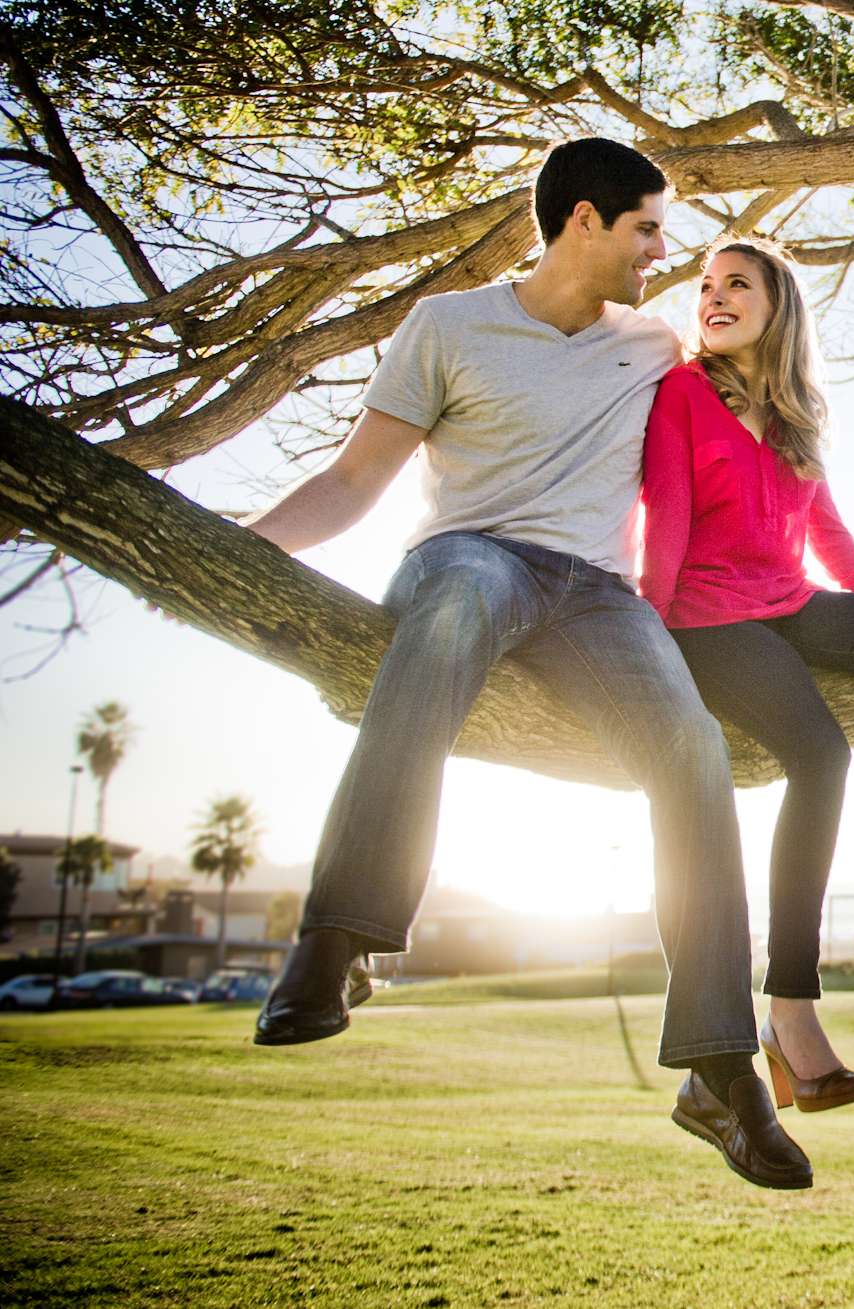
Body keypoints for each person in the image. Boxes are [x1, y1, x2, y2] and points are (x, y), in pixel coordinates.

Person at [245, 139, 811, 1190]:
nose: (661, 252)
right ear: (585, 221)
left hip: (594, 593)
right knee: (458, 603)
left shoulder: (649, 344)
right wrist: (243, 547)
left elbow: (753, 386)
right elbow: (351, 479)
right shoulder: (449, 326)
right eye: (647, 228)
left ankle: (721, 1069)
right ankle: (340, 934)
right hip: (469, 559)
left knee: (692, 745)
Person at [639, 241, 854, 1115]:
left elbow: (824, 528)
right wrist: (640, 637)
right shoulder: (683, 393)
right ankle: (789, 1007)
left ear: (777, 305)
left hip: (788, 599)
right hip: (708, 619)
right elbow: (666, 526)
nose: (714, 297)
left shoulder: (794, 414)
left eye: (736, 284)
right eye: (707, 287)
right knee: (822, 756)